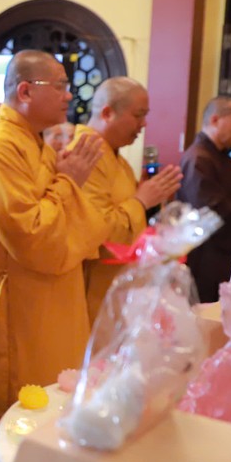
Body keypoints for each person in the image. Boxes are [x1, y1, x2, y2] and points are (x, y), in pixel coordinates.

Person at [0, 50, 107, 443]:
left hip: (47, 303)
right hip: (18, 309)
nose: (69, 95)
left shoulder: (33, 143)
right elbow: (29, 234)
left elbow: (67, 219)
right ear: (25, 90)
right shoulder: (0, 145)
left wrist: (65, 180)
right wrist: (68, 182)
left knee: (50, 416)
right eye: (60, 86)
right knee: (16, 425)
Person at [71, 77, 182, 323]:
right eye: (138, 115)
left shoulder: (115, 157)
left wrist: (147, 195)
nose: (143, 124)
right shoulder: (85, 151)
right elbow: (96, 227)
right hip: (90, 283)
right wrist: (141, 201)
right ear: (108, 113)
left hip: (116, 281)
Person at [177, 96, 231, 302]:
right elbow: (209, 214)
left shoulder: (220, 156)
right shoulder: (199, 158)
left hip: (224, 255)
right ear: (215, 120)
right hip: (207, 258)